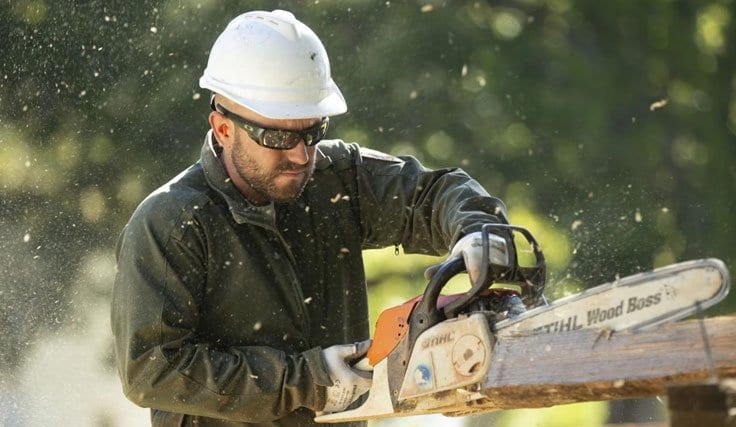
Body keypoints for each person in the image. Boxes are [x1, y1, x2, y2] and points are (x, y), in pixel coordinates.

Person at [111, 9, 512, 427]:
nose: (301, 155)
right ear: (224, 128)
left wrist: (478, 232)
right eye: (279, 137)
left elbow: (433, 194)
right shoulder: (172, 223)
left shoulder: (335, 178)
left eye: (311, 132)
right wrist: (304, 382)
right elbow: (151, 370)